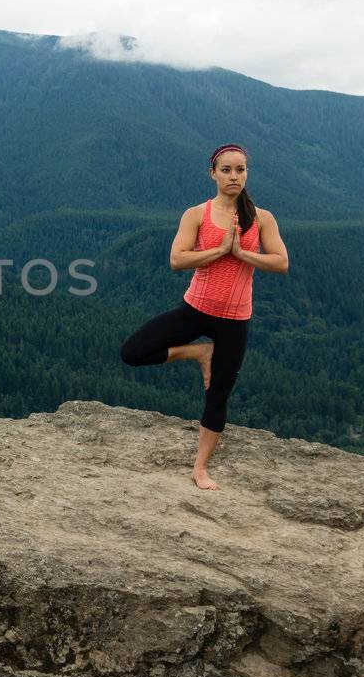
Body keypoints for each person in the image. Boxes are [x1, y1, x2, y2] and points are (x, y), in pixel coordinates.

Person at [119, 143, 290, 490]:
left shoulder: (261, 218)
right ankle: (198, 351)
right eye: (226, 170)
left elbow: (281, 262)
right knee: (133, 352)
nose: (233, 176)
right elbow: (177, 260)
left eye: (240, 170)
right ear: (212, 173)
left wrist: (242, 254)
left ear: (247, 173)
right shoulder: (197, 214)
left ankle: (200, 468)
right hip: (195, 309)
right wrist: (220, 251)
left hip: (234, 320)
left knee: (218, 394)